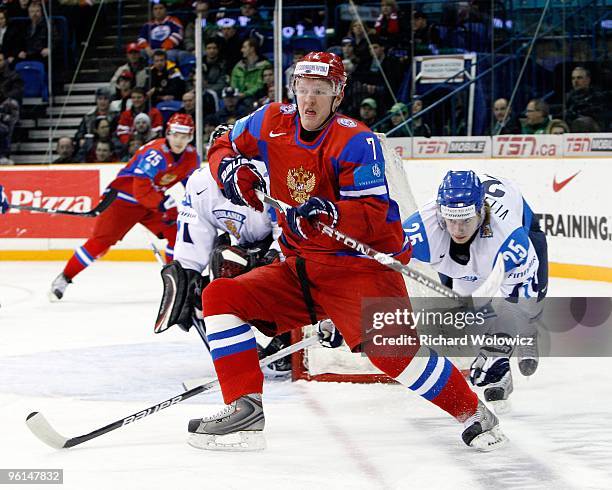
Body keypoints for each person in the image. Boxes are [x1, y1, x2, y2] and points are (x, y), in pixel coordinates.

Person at [186, 51, 506, 452]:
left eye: (320, 90)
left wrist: (331, 211)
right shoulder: (270, 121)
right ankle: (244, 408)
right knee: (220, 295)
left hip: (357, 269)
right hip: (300, 268)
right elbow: (221, 142)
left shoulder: (357, 141)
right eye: (302, 90)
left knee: (395, 358)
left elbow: (374, 214)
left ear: (338, 94)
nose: (309, 100)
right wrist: (229, 170)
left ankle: (473, 412)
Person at [403, 171, 548, 409]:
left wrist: (500, 341)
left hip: (518, 229)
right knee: (472, 312)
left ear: (481, 212)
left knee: (530, 307)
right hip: (472, 260)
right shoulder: (420, 230)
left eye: (466, 220)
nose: (458, 230)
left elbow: (521, 297)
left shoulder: (511, 240)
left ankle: (527, 334)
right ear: (441, 212)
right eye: (451, 220)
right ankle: (500, 370)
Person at [49, 114, 200, 301]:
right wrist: (162, 204)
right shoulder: (155, 153)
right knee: (100, 243)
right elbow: (140, 189)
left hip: (151, 199)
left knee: (177, 233)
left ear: (191, 137)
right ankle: (64, 278)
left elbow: (193, 184)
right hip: (124, 198)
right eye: (176, 134)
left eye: (184, 136)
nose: (179, 140)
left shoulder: (191, 156)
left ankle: (176, 283)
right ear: (168, 133)